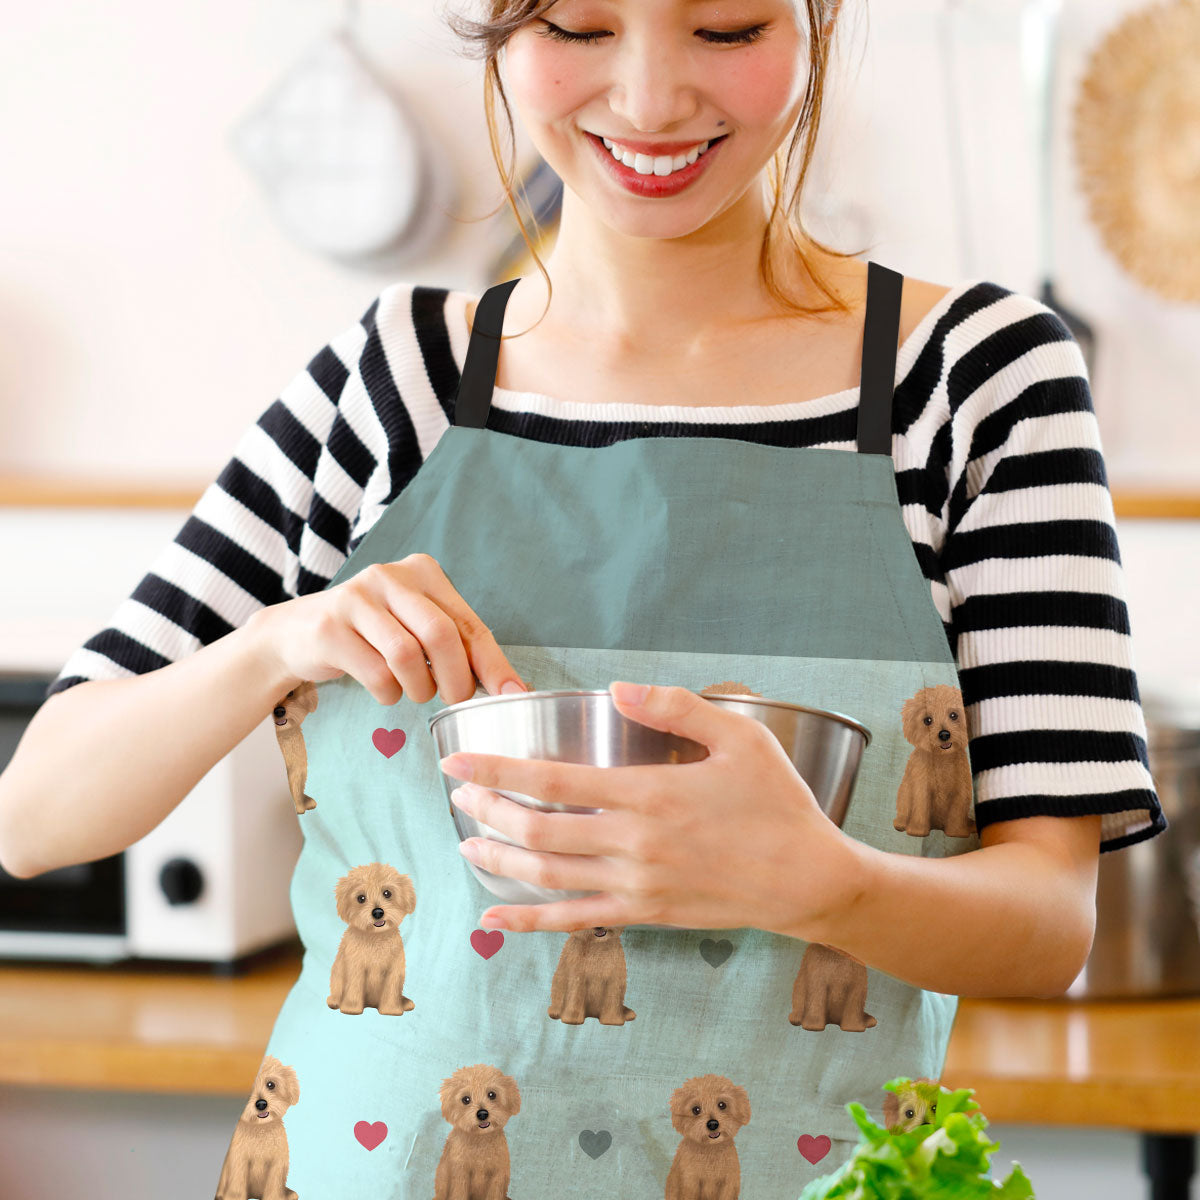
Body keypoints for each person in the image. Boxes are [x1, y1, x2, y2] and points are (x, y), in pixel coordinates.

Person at [0, 1, 1166, 1196]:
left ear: (815, 22)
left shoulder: (976, 382)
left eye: (726, 28)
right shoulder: (392, 381)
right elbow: (34, 816)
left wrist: (823, 883)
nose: (653, 100)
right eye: (578, 24)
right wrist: (272, 641)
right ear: (499, 32)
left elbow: (1047, 924)